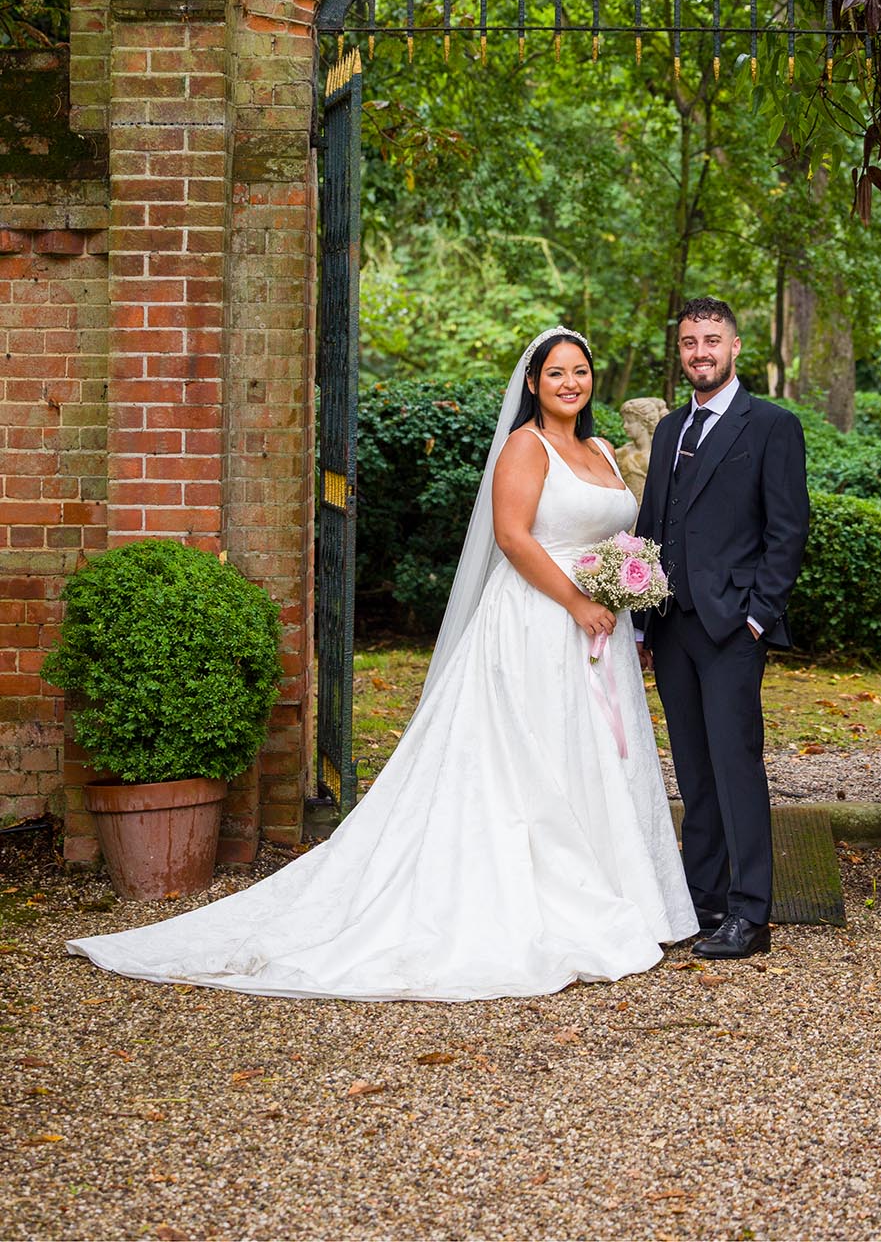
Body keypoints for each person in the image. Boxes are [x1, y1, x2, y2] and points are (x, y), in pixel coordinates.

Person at [67, 327, 696, 1000]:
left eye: (580, 371)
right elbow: (513, 538)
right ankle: (544, 899)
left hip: (599, 632)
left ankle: (622, 891)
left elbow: (614, 531)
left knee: (596, 755)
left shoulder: (600, 448)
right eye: (556, 373)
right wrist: (577, 601)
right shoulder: (526, 446)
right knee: (535, 759)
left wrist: (626, 580)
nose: (570, 382)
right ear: (534, 385)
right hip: (540, 623)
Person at [636, 298, 809, 960]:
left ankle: (750, 914)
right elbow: (655, 521)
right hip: (673, 627)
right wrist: (642, 617)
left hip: (734, 626)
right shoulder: (669, 428)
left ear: (735, 348)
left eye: (711, 340)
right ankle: (702, 900)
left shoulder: (771, 425)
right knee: (694, 770)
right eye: (688, 342)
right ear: (680, 352)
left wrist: (758, 616)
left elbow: (788, 529)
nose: (699, 351)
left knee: (735, 766)